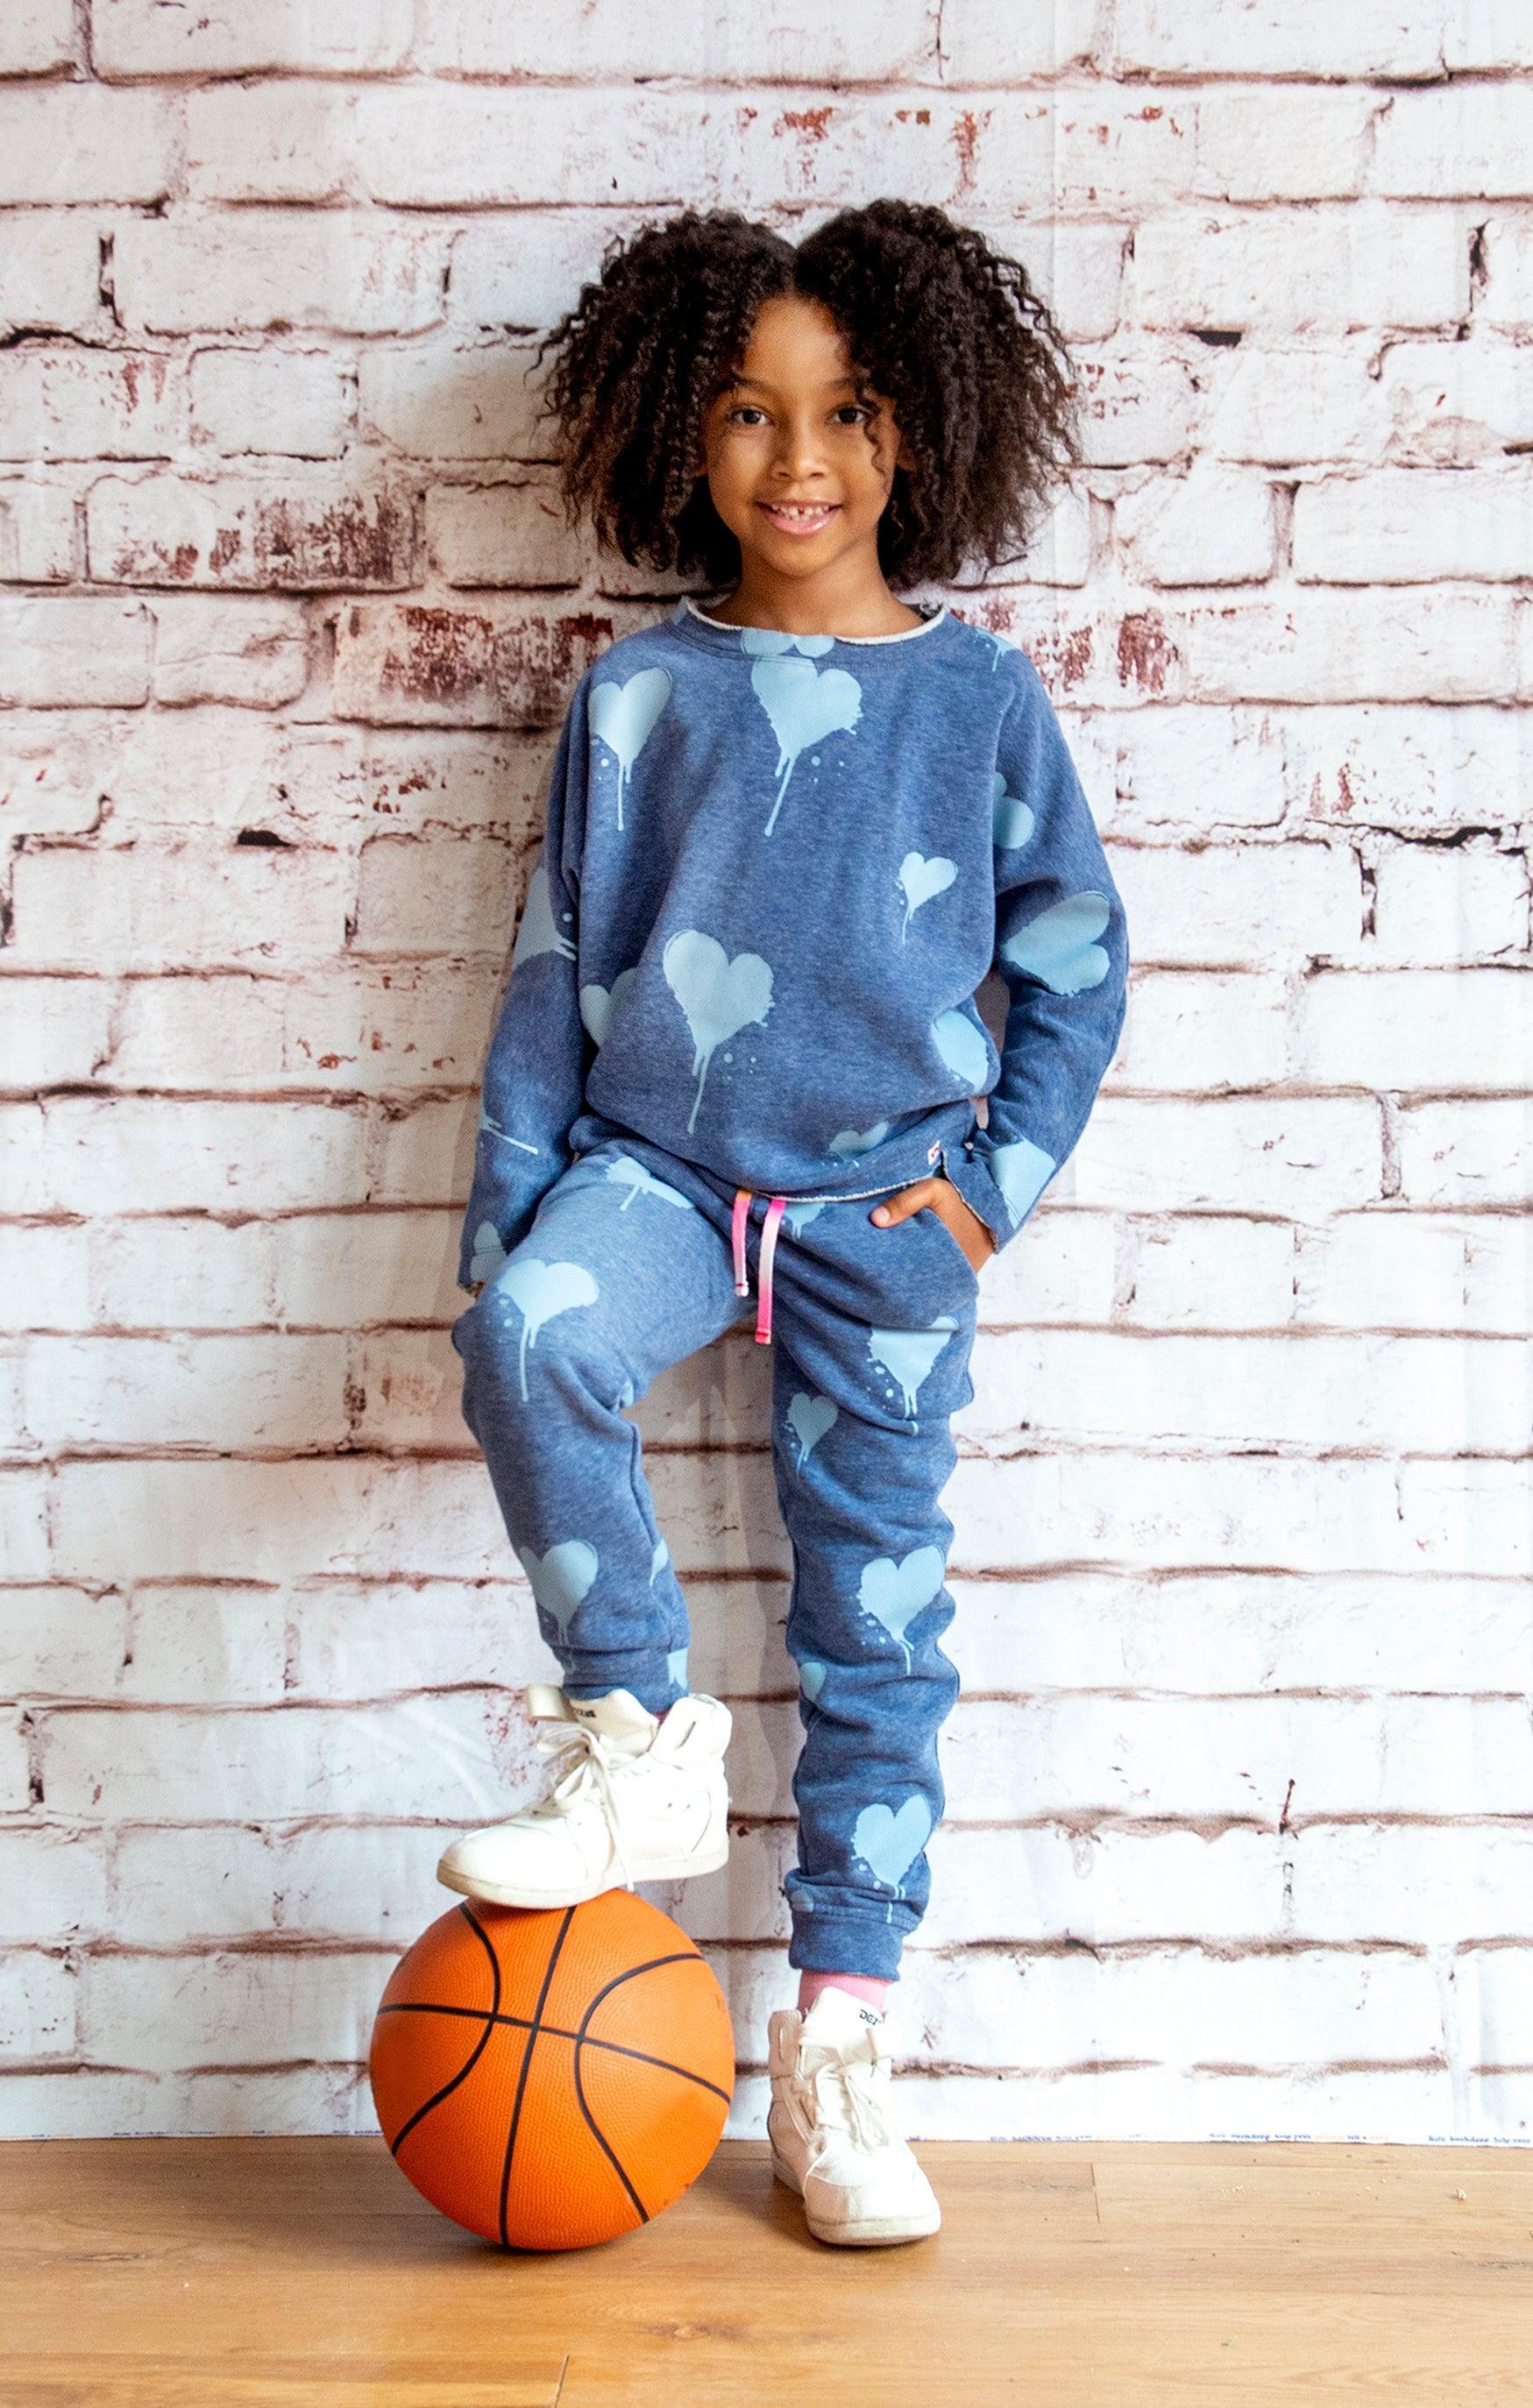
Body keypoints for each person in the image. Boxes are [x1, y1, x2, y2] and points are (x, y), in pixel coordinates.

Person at [438, 199, 1130, 2247]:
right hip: (654, 1176)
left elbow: (1076, 968)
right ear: (683, 429)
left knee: (873, 1631)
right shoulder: (636, 695)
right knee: (526, 1338)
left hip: (876, 1219)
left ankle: (838, 2044)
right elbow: (554, 969)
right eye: (748, 411)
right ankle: (632, 1730)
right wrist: (511, 1228)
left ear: (918, 437)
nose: (797, 459)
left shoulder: (975, 699)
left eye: (844, 413)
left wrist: (978, 1202)